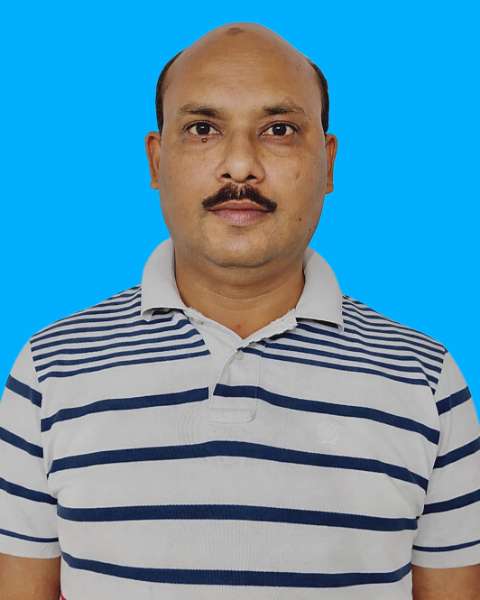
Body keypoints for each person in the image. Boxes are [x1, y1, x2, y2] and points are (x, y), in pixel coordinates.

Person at [1, 21, 479, 600]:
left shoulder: (425, 379)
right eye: (202, 129)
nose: (240, 166)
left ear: (328, 163)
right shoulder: (51, 370)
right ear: (156, 160)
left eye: (279, 130)